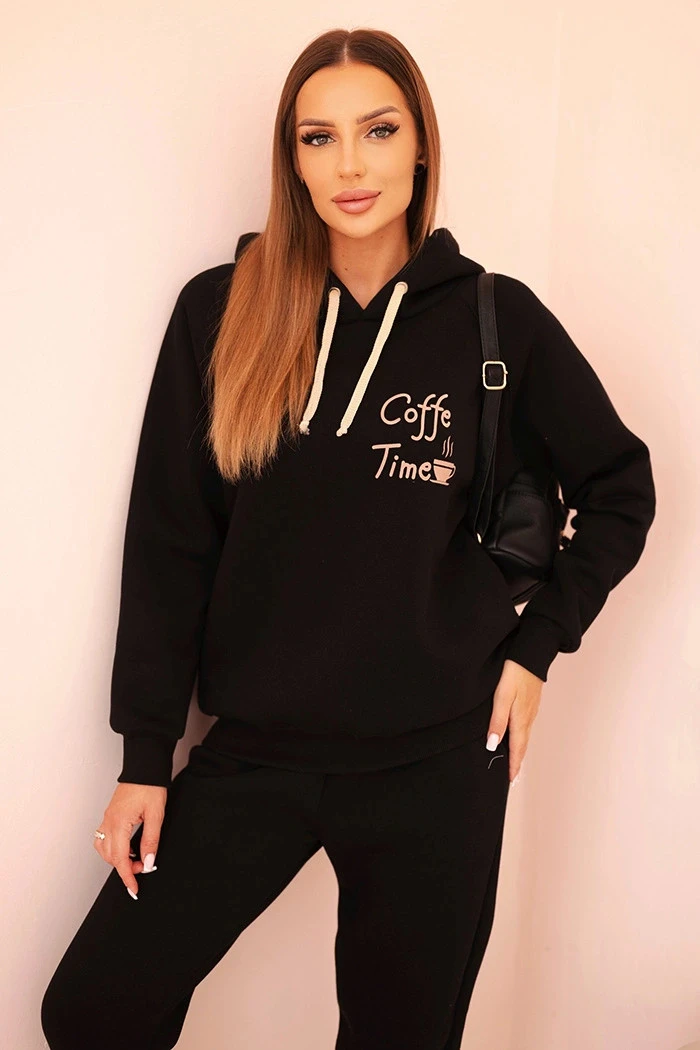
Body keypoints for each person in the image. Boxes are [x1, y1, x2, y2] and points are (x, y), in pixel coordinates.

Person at [40, 26, 656, 1050]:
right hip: (256, 752)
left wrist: (538, 647)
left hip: (439, 759)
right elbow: (170, 545)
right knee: (92, 1010)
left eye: (378, 130)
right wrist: (146, 757)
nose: (350, 166)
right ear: (292, 160)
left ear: (421, 144)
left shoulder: (496, 321)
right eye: (317, 138)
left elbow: (620, 487)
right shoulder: (223, 310)